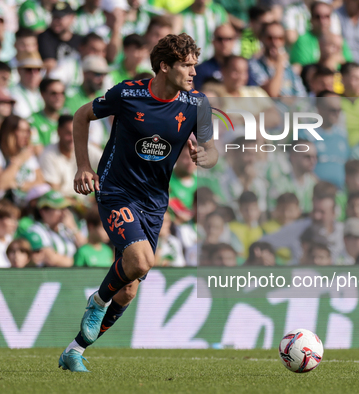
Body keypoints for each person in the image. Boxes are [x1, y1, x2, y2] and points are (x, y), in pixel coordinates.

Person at [59, 33, 217, 371]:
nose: (193, 73)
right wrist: (84, 166)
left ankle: (75, 350)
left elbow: (212, 149)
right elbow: (80, 116)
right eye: (187, 66)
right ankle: (98, 300)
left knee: (129, 290)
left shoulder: (197, 103)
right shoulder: (127, 94)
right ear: (164, 66)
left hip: (154, 202)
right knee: (142, 260)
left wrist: (206, 154)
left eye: (195, 66)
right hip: (116, 191)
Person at [0, 115, 43, 204]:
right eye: (22, 131)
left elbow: (41, 182)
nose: (26, 135)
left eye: (28, 131)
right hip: (1, 207)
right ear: (9, 132)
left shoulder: (26, 153)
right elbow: (0, 184)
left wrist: (18, 185)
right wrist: (19, 160)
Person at [38, 114, 101, 200]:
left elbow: (109, 164)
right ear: (59, 132)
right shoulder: (48, 155)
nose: (72, 138)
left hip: (85, 203)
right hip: (63, 205)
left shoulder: (86, 148)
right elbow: (54, 192)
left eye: (75, 133)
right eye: (68, 133)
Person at [24, 190, 86, 267]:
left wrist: (73, 228)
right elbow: (51, 259)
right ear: (43, 211)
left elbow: (86, 249)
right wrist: (81, 261)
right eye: (58, 209)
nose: (63, 213)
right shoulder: (35, 230)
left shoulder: (67, 229)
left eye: (64, 208)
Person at [249, 22, 306, 97]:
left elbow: (302, 95)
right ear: (261, 38)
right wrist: (280, 64)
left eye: (280, 38)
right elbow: (272, 92)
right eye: (270, 38)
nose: (275, 42)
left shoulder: (289, 68)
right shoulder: (254, 65)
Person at [290, 1, 352, 67]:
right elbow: (306, 70)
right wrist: (331, 61)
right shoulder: (302, 40)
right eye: (317, 17)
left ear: (331, 19)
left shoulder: (338, 40)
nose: (322, 21)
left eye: (326, 16)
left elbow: (349, 66)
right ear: (311, 19)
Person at [38, 2, 82, 73]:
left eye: (59, 18)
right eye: (54, 17)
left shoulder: (80, 40)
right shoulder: (45, 37)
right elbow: (50, 66)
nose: (56, 21)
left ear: (72, 17)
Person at [28, 78, 65, 148]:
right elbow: (38, 152)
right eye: (54, 93)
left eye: (62, 93)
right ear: (43, 94)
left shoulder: (69, 120)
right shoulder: (33, 121)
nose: (59, 97)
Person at [10, 52, 45, 119]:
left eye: (38, 69)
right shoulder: (12, 93)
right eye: (29, 69)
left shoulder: (45, 91)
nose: (33, 74)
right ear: (19, 71)